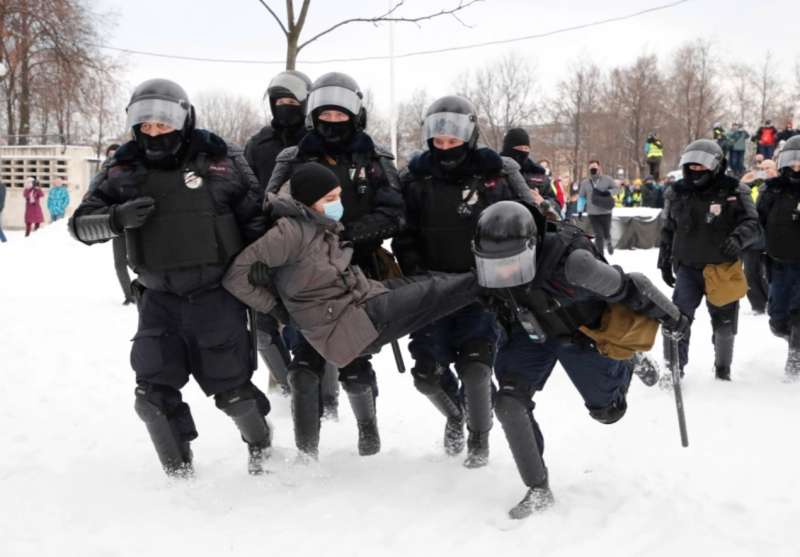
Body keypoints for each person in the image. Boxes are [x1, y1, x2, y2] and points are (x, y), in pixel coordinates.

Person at [69, 78, 271, 477]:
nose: (154, 133)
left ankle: (262, 447)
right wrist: (115, 218)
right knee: (151, 397)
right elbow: (79, 225)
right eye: (146, 126)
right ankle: (179, 478)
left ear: (184, 120)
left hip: (216, 295)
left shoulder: (221, 158)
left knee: (233, 393)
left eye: (163, 125)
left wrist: (265, 272)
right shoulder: (123, 166)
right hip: (159, 299)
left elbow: (257, 219)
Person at [473, 201, 688, 519]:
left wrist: (673, 318)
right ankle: (538, 488)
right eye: (495, 266)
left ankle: (630, 360)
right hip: (530, 332)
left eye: (512, 263)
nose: (504, 272)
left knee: (609, 413)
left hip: (583, 334)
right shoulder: (485, 263)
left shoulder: (575, 265)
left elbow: (632, 286)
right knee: (508, 403)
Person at [223, 163, 484, 408]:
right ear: (307, 201)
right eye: (329, 199)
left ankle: (484, 285)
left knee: (429, 287)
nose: (337, 204)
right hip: (343, 326)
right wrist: (275, 308)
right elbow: (235, 277)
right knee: (431, 293)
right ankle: (486, 281)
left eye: (338, 196)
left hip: (360, 302)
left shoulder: (317, 224)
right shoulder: (288, 233)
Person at [265, 72, 406, 459]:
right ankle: (306, 452)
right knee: (303, 368)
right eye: (324, 115)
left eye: (340, 115)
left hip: (358, 269)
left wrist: (349, 234)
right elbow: (270, 205)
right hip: (305, 271)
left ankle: (368, 428)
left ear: (355, 115)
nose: (332, 122)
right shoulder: (293, 157)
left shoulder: (375, 159)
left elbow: (395, 213)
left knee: (355, 364)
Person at [392, 97, 534, 468]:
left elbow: (529, 217)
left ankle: (479, 436)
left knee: (476, 368)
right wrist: (413, 265)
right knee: (426, 375)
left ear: (469, 136)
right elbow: (402, 230)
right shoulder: (415, 178)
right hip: (431, 289)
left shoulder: (497, 173)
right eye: (437, 141)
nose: (444, 148)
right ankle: (455, 414)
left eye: (452, 141)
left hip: (482, 289)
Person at [658, 139, 761, 381]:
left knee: (724, 326)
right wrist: (664, 259)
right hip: (688, 268)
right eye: (691, 166)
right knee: (677, 319)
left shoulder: (735, 190)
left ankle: (723, 369)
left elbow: (753, 224)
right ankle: (673, 368)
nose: (696, 171)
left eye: (701, 166)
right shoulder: (676, 191)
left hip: (722, 268)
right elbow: (668, 228)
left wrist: (739, 238)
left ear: (716, 166)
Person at [244, 70, 313, 399]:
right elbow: (245, 195)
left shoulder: (317, 140)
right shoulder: (258, 145)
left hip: (309, 247)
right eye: (279, 101)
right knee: (263, 329)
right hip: (264, 244)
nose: (285, 107)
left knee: (307, 328)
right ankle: (288, 390)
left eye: (292, 101)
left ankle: (320, 396)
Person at [757, 135, 800, 379]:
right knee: (777, 320)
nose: (796, 169)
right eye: (792, 164)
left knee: (798, 317)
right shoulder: (772, 190)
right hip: (779, 262)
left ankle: (795, 364)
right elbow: (758, 222)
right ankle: (793, 338)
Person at [740, 159, 778, 314]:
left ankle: (773, 302)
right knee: (750, 272)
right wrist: (744, 183)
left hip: (773, 237)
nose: (764, 171)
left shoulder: (780, 186)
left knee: (769, 272)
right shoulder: (752, 186)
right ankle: (757, 304)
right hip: (753, 238)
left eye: (768, 168)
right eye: (761, 168)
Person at [500, 128, 559, 221]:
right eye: (519, 148)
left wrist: (544, 202)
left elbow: (556, 204)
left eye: (526, 148)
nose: (523, 152)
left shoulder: (539, 174)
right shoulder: (494, 171)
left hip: (534, 226)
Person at [578, 160, 619, 256]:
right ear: (588, 169)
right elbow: (582, 197)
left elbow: (617, 189)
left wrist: (608, 192)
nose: (593, 169)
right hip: (593, 213)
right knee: (598, 235)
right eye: (591, 168)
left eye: (595, 167)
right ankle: (601, 255)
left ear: (599, 168)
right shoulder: (585, 183)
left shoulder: (607, 179)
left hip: (606, 211)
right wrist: (580, 210)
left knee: (606, 232)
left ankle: (608, 241)